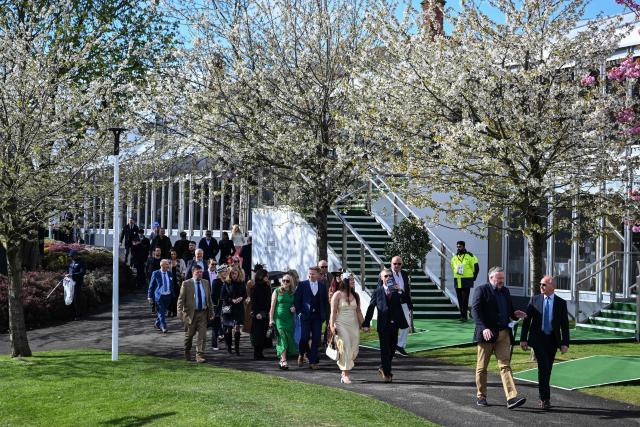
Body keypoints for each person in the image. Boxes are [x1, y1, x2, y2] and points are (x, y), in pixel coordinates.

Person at [472, 266, 527, 409]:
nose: (502, 281)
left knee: (505, 365)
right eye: (499, 278)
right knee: (482, 367)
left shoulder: (505, 291)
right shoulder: (481, 290)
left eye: (503, 278)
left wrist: (515, 314)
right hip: (487, 335)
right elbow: (475, 311)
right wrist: (483, 328)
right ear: (491, 278)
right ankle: (481, 396)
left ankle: (511, 398)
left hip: (503, 334)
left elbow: (508, 311)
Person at [520, 275, 570, 410]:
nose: (541, 287)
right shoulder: (534, 300)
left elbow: (564, 325)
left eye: (544, 285)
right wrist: (523, 339)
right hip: (538, 339)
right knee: (543, 368)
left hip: (553, 341)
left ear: (552, 286)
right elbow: (526, 321)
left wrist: (565, 343)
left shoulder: (561, 303)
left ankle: (544, 396)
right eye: (540, 284)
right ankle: (545, 399)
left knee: (548, 369)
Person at [363, 269, 408, 383]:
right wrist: (366, 323)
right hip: (383, 325)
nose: (388, 278)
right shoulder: (377, 291)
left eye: (390, 276)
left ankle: (383, 367)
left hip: (394, 324)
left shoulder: (396, 291)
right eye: (386, 276)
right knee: (384, 350)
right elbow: (371, 307)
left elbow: (406, 300)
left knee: (392, 349)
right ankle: (387, 373)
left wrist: (400, 291)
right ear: (381, 278)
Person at [294, 266, 329, 369]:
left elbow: (324, 302)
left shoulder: (322, 286)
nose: (310, 275)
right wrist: (299, 312)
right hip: (305, 316)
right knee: (304, 338)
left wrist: (325, 317)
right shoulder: (302, 285)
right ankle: (301, 353)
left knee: (316, 339)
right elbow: (297, 301)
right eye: (309, 273)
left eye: (313, 273)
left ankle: (312, 362)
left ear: (318, 274)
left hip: (317, 317)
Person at [329, 273, 362, 384]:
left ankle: (346, 365)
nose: (353, 282)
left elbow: (358, 311)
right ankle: (345, 374)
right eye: (351, 280)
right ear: (345, 281)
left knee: (354, 349)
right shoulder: (337, 295)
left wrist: (364, 324)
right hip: (341, 324)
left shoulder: (356, 295)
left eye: (353, 280)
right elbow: (333, 313)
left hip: (353, 325)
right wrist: (332, 326)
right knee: (346, 346)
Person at [177, 265, 213, 363]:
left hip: (203, 313)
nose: (199, 274)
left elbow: (209, 299)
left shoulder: (205, 283)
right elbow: (181, 299)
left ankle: (199, 355)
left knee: (202, 336)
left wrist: (211, 312)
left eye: (201, 272)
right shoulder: (186, 283)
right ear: (193, 272)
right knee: (189, 335)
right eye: (197, 272)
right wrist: (179, 311)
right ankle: (187, 351)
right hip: (190, 314)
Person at [269, 274, 297, 369]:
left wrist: (294, 308)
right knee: (282, 337)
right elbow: (272, 306)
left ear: (290, 282)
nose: (285, 282)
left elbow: (296, 304)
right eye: (284, 280)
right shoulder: (277, 291)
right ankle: (284, 360)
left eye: (287, 281)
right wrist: (271, 319)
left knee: (288, 338)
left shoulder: (292, 292)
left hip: (289, 319)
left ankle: (282, 360)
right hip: (279, 319)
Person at [387, 256, 413, 356]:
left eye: (399, 264)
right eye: (395, 264)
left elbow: (407, 289)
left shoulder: (404, 274)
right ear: (391, 264)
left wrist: (409, 302)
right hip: (392, 304)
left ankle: (400, 345)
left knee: (406, 325)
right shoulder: (387, 274)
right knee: (392, 326)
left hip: (404, 303)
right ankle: (391, 347)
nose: (397, 266)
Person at [451, 241, 479, 321]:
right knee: (459, 299)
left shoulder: (470, 256)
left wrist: (473, 278)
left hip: (466, 280)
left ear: (463, 246)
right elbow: (453, 267)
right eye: (457, 246)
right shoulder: (454, 257)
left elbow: (476, 268)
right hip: (457, 280)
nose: (458, 248)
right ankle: (462, 315)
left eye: (460, 246)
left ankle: (464, 316)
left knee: (465, 299)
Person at [220, 268, 247, 355]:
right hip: (227, 306)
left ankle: (237, 348)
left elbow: (245, 294)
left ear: (238, 274)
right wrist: (231, 300)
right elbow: (222, 296)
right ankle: (228, 347)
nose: (234, 275)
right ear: (230, 274)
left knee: (237, 327)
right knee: (228, 328)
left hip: (238, 307)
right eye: (232, 274)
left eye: (235, 274)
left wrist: (241, 298)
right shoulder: (226, 283)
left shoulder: (242, 283)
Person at [147, 259, 174, 334]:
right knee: (161, 311)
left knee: (163, 311)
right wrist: (149, 296)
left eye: (168, 264)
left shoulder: (170, 273)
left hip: (168, 295)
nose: (168, 266)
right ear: (161, 265)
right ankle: (164, 327)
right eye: (166, 264)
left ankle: (157, 323)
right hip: (159, 296)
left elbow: (171, 284)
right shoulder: (156, 273)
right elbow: (151, 285)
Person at [250, 269, 272, 360]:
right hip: (258, 313)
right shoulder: (255, 287)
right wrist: (256, 313)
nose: (267, 277)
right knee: (257, 334)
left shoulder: (266, 286)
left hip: (265, 312)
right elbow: (254, 301)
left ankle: (260, 353)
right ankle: (257, 353)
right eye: (266, 276)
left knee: (263, 333)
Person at [210, 265, 227, 350]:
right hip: (218, 305)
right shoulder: (216, 281)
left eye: (226, 271)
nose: (225, 272)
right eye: (223, 271)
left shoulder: (228, 281)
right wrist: (214, 307)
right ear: (219, 273)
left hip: (227, 305)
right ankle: (214, 344)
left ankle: (228, 343)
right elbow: (213, 295)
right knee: (215, 325)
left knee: (228, 324)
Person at [67, 250, 86, 320]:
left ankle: (78, 315)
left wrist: (73, 275)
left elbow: (82, 272)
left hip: (77, 283)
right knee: (70, 298)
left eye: (72, 256)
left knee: (76, 299)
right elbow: (68, 271)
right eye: (70, 256)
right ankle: (72, 314)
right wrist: (66, 275)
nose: (71, 257)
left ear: (76, 255)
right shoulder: (71, 263)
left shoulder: (81, 263)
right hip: (70, 283)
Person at [168, 248, 187, 317]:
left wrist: (183, 274)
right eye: (172, 254)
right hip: (170, 281)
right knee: (170, 297)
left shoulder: (181, 261)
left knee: (177, 296)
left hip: (178, 281)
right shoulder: (168, 261)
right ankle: (169, 310)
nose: (173, 255)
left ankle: (175, 311)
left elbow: (185, 269)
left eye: (174, 254)